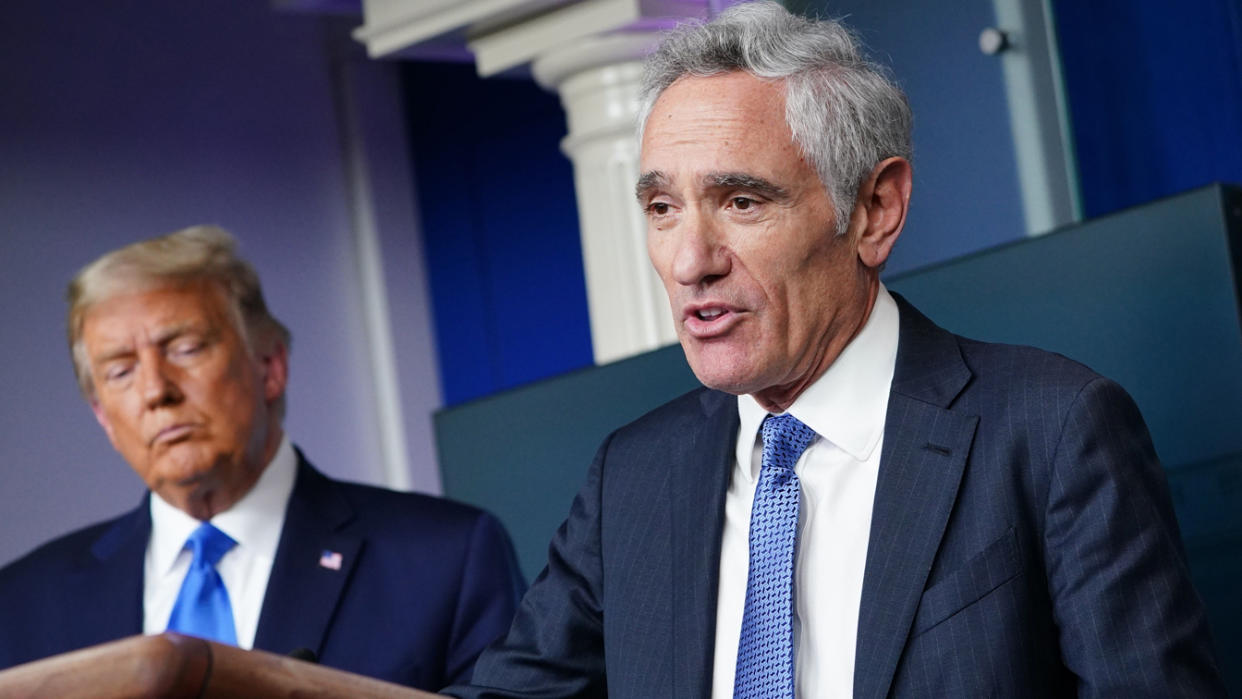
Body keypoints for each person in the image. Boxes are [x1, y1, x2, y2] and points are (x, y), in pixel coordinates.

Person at [444, 3, 1226, 697]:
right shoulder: (633, 477)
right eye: (661, 207)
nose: (690, 260)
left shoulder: (1052, 430)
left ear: (875, 210)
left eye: (742, 200)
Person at [0, 226, 525, 690]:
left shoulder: (446, 559)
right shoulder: (24, 604)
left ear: (270, 366)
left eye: (184, 348)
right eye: (120, 371)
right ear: (103, 417)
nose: (156, 390)